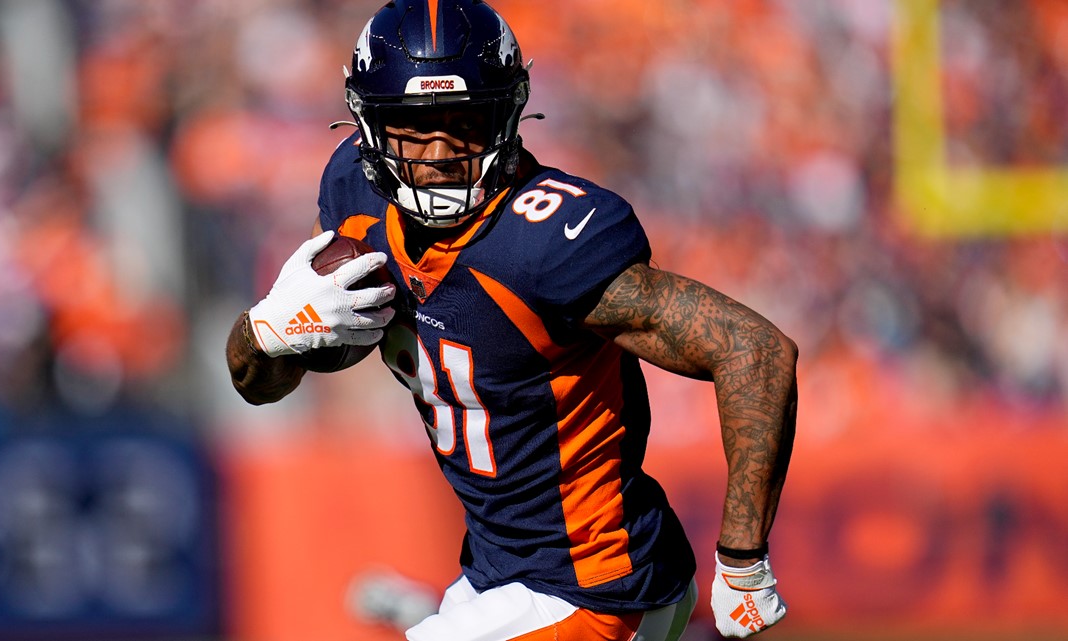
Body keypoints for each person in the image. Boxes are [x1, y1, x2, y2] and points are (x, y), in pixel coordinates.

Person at [225, 1, 797, 639]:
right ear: (368, 127)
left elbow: (754, 349)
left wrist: (744, 560)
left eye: (464, 122)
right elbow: (259, 382)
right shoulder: (354, 203)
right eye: (414, 127)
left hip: (596, 584)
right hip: (500, 570)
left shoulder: (547, 240)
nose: (439, 153)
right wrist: (264, 332)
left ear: (509, 113)